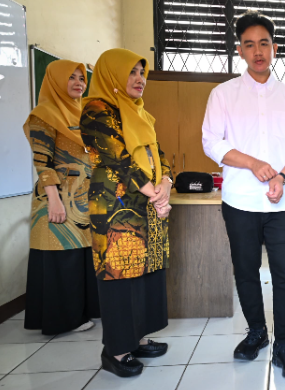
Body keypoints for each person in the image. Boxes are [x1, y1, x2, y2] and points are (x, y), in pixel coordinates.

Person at [201, 10, 285, 378]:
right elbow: (211, 142)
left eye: (264, 43)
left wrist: (281, 175)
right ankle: (257, 333)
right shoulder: (223, 95)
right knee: (246, 271)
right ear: (240, 51)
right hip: (240, 201)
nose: (258, 50)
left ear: (275, 48)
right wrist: (251, 163)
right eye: (249, 44)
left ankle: (284, 344)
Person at [80, 48, 172, 377]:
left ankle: (137, 338)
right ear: (112, 74)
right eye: (131, 72)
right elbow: (118, 158)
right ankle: (116, 351)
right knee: (119, 274)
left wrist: (166, 182)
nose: (139, 79)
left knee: (145, 271)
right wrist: (156, 194)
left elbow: (159, 154)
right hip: (117, 206)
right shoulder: (96, 109)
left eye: (142, 72)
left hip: (147, 204)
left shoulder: (140, 113)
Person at [23, 60, 99, 336]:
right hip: (56, 198)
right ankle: (64, 320)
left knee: (80, 257)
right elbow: (42, 163)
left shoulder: (84, 114)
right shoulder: (44, 114)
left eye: (81, 77)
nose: (79, 82)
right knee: (62, 259)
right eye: (71, 77)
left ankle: (85, 311)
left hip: (84, 198)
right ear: (55, 81)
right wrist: (54, 200)